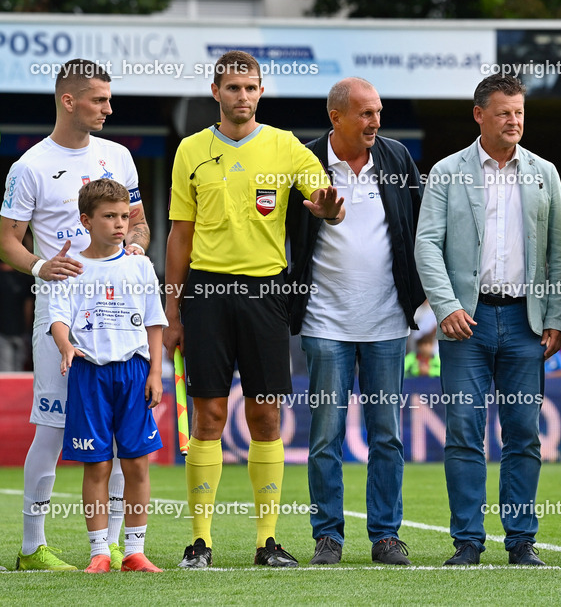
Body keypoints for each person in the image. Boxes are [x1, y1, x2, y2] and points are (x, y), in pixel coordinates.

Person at [164, 50, 343, 569]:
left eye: (251, 88)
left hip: (266, 294)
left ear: (261, 92)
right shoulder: (190, 150)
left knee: (266, 415)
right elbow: (180, 234)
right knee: (209, 415)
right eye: (234, 88)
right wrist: (172, 313)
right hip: (205, 296)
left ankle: (267, 542)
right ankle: (200, 542)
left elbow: (324, 197)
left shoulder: (286, 147)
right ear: (216, 92)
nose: (243, 96)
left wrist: (329, 207)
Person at [415, 74, 561, 566]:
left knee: (524, 431)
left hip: (527, 323)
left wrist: (558, 317)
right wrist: (447, 307)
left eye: (520, 112)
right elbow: (426, 245)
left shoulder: (544, 172)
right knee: (463, 430)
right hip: (467, 320)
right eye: (504, 112)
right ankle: (467, 542)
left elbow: (558, 253)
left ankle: (522, 540)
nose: (514, 121)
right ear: (479, 114)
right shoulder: (446, 171)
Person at [0, 59, 150, 571]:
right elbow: (6, 243)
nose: (109, 108)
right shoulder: (31, 166)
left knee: (117, 434)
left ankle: (110, 550)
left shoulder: (120, 158)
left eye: (109, 98)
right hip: (60, 314)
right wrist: (44, 266)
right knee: (53, 428)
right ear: (69, 101)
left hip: (118, 315)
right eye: (100, 100)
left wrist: (133, 247)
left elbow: (141, 226)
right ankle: (31, 547)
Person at [287, 77, 424, 566]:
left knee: (386, 433)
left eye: (378, 112)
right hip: (325, 322)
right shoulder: (304, 162)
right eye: (365, 113)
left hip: (388, 323)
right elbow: (281, 233)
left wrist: (424, 296)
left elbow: (420, 226)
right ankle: (328, 535)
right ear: (336, 117)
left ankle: (386, 535)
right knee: (326, 433)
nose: (374, 122)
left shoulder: (396, 159)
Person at [48, 179, 165, 573]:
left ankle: (134, 551)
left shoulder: (139, 264)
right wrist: (66, 345)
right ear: (86, 220)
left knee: (136, 465)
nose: (120, 224)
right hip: (89, 374)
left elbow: (154, 323)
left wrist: (155, 374)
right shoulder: (71, 267)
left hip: (133, 372)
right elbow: (58, 318)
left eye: (124, 216)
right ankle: (100, 551)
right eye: (109, 217)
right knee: (97, 467)